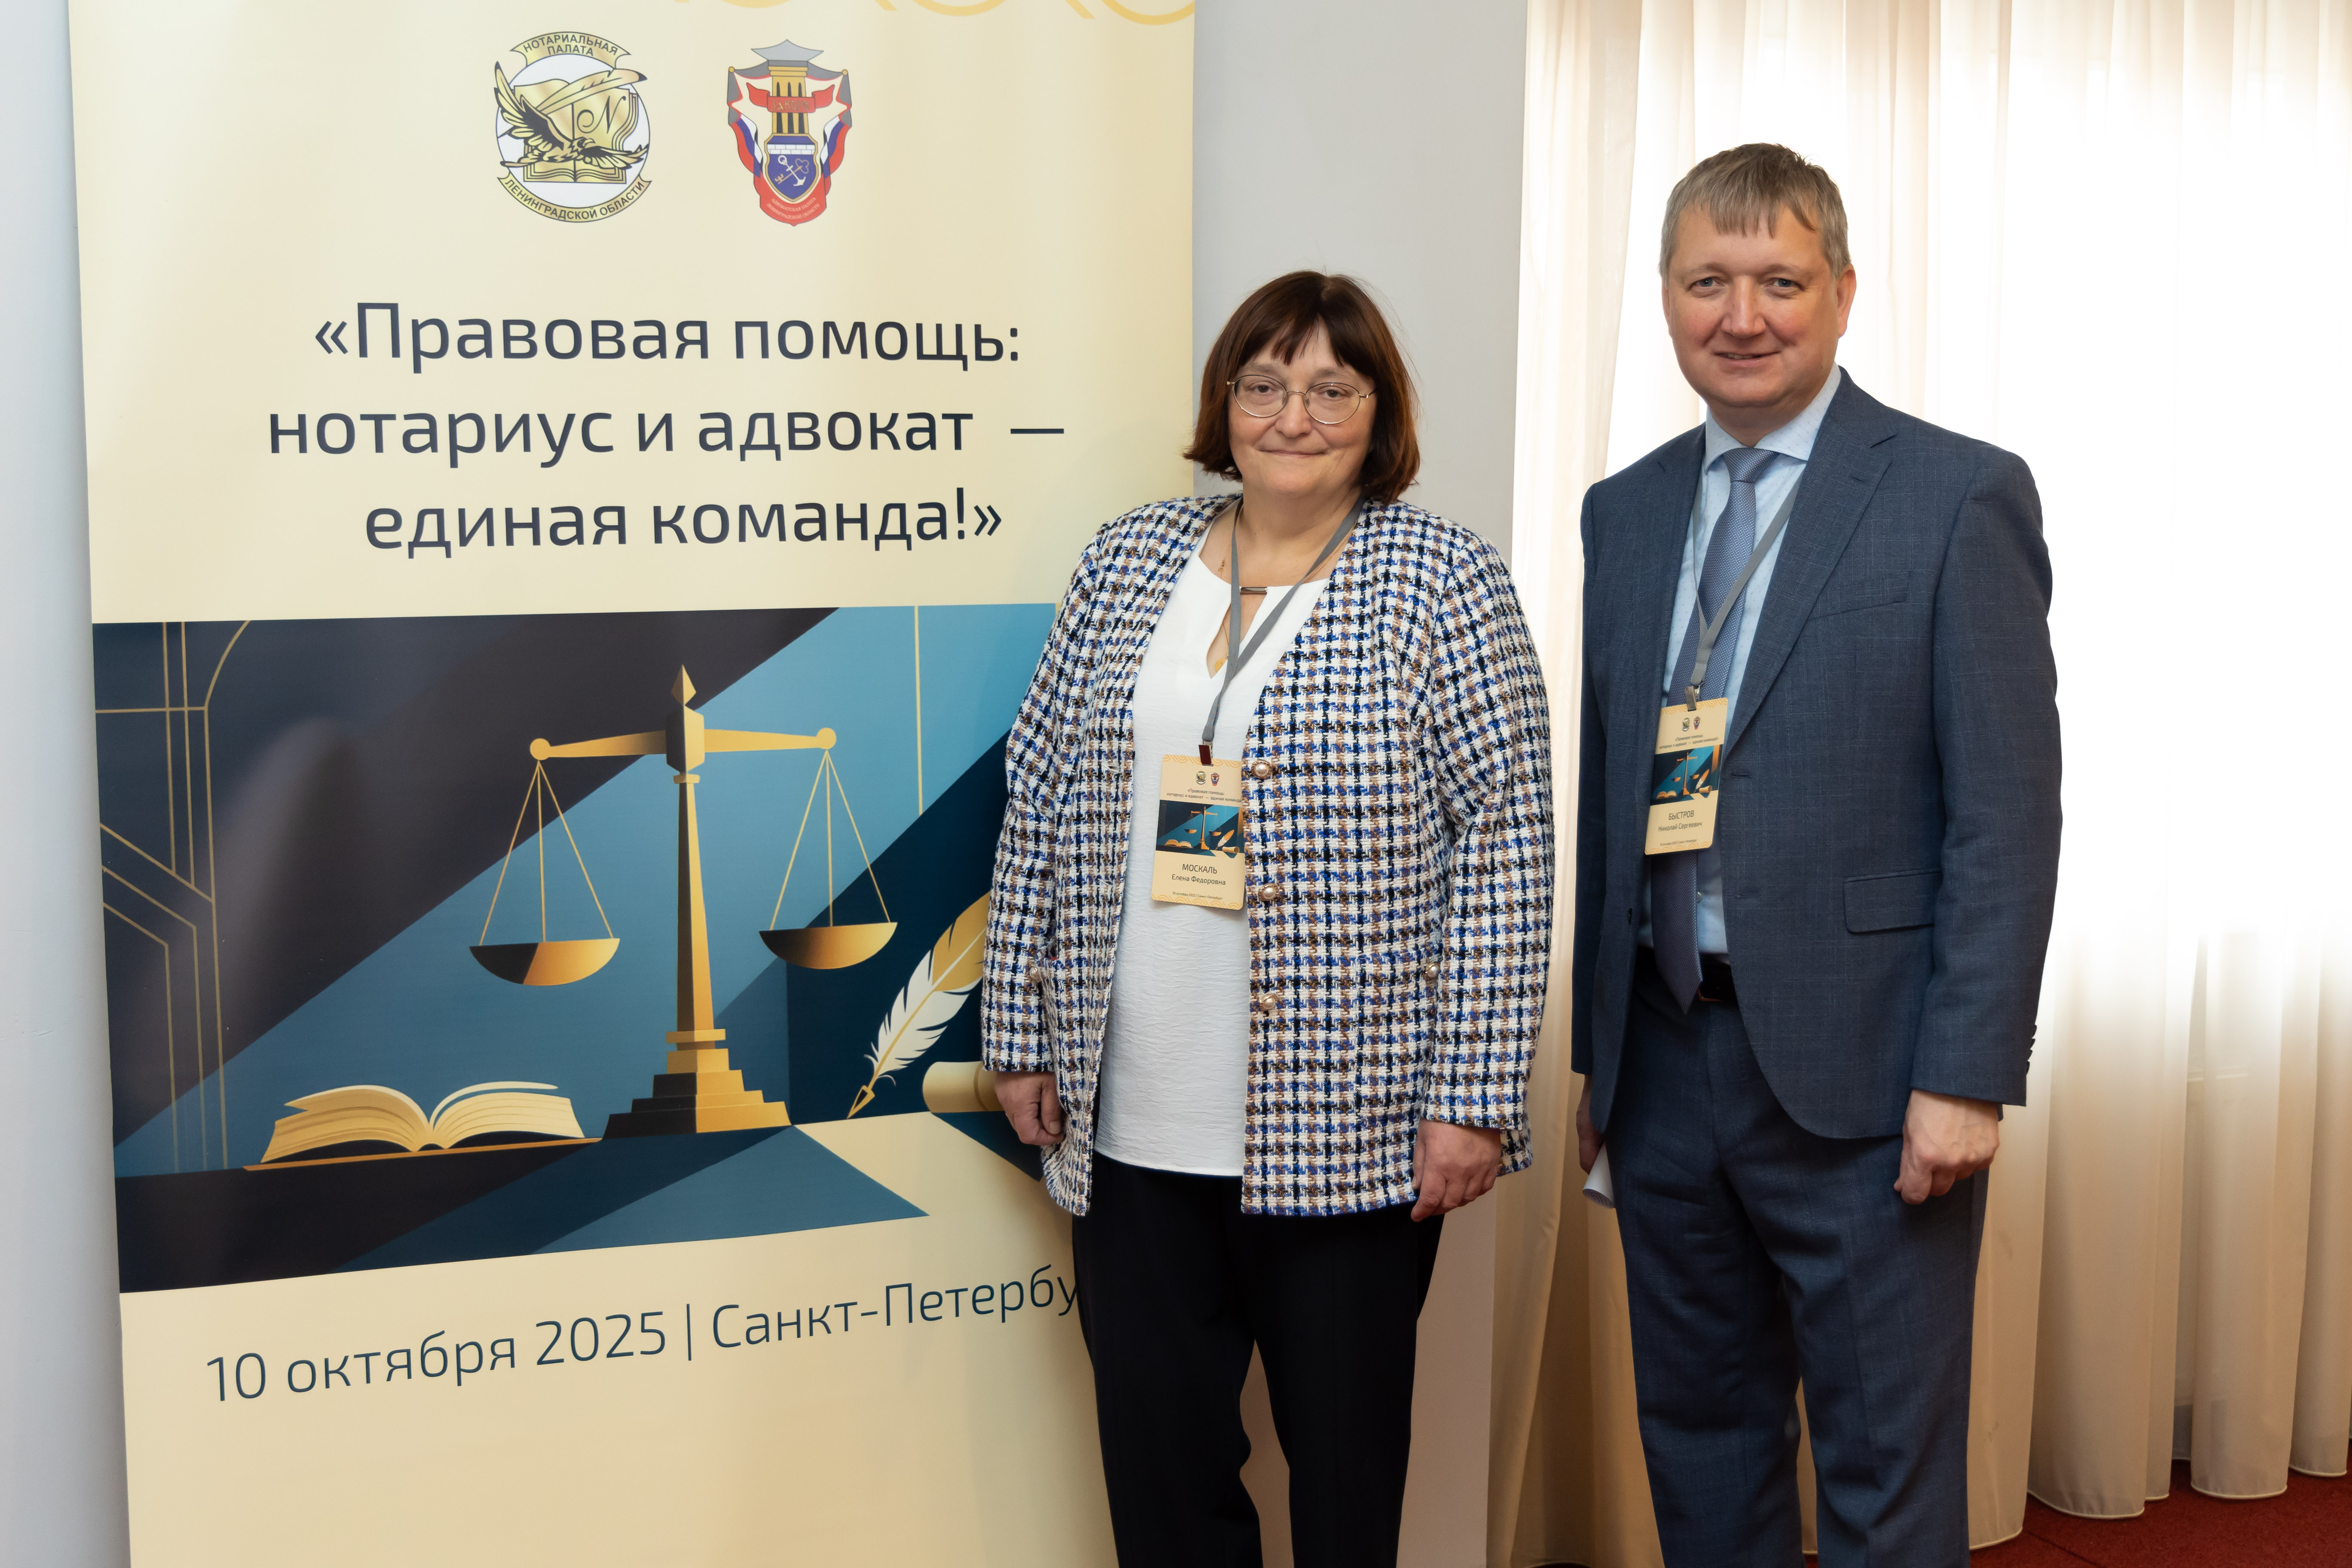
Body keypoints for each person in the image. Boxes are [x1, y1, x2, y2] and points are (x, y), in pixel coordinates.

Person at [980, 271, 1553, 1568]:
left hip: (1346, 1129)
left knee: (1345, 1484)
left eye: (1333, 390)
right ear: (1224, 403)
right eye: (1265, 385)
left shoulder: (1443, 578)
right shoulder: (1126, 560)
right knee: (1164, 1481)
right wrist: (1018, 1032)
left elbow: (1509, 844)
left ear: (1380, 411)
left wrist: (1473, 1097)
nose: (1295, 416)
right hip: (1132, 1121)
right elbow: (1041, 792)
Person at [1570, 144, 2061, 1566]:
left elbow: (2008, 814)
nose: (1743, 317)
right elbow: (1616, 788)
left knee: (1882, 1476)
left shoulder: (1957, 495)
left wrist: (1965, 1077)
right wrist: (1604, 1057)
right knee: (1701, 1450)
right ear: (1665, 296)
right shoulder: (1626, 509)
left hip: (1870, 1082)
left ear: (1843, 292)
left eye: (1780, 282)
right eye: (1707, 282)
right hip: (1664, 1063)